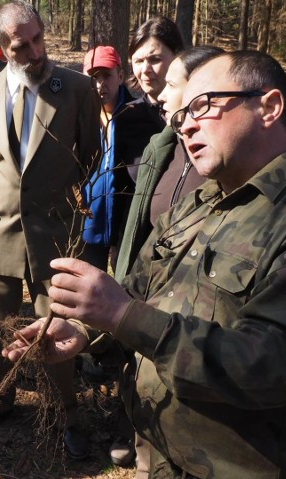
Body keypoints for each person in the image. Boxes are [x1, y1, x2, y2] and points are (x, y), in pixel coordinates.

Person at [2, 51, 286, 478]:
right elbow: (138, 289)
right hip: (160, 450)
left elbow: (274, 366)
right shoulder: (200, 203)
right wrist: (85, 328)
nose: (184, 124)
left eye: (202, 106)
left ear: (269, 107)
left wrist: (120, 314)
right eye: (182, 112)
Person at [0, 1, 100, 459]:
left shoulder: (77, 89)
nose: (38, 51)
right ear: (1, 50)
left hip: (57, 231)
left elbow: (92, 157)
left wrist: (65, 205)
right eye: (24, 45)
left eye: (40, 38)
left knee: (56, 325)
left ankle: (66, 412)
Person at [110, 45, 224, 475]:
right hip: (150, 327)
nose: (155, 89)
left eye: (171, 83)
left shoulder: (219, 166)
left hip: (195, 359)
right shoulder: (164, 145)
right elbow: (147, 239)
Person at [80, 45, 162, 271]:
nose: (100, 83)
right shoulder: (80, 117)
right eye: (93, 77)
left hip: (126, 224)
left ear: (121, 75)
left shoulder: (138, 115)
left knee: (121, 287)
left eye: (106, 75)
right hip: (90, 222)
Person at [128, 17, 183, 109]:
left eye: (155, 59)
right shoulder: (126, 117)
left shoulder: (198, 112)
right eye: (139, 61)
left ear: (177, 57)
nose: (145, 70)